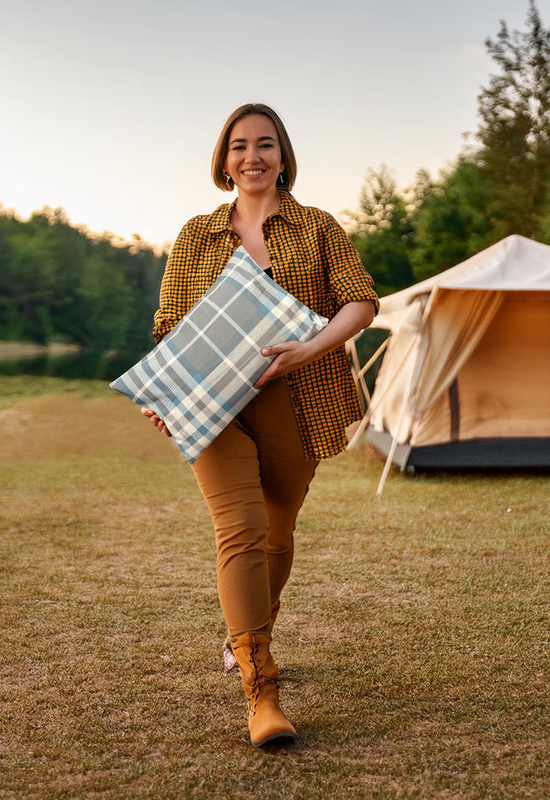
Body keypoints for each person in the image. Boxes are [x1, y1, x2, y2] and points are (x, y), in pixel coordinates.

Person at [142, 103, 379, 748]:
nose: (253, 157)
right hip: (214, 406)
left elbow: (361, 299)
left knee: (277, 535)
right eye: (240, 146)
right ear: (224, 161)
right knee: (240, 532)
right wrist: (163, 394)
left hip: (296, 403)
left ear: (283, 156)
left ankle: (247, 633)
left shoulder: (318, 229)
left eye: (266, 145)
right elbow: (170, 326)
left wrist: (310, 348)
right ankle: (261, 691)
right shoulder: (196, 235)